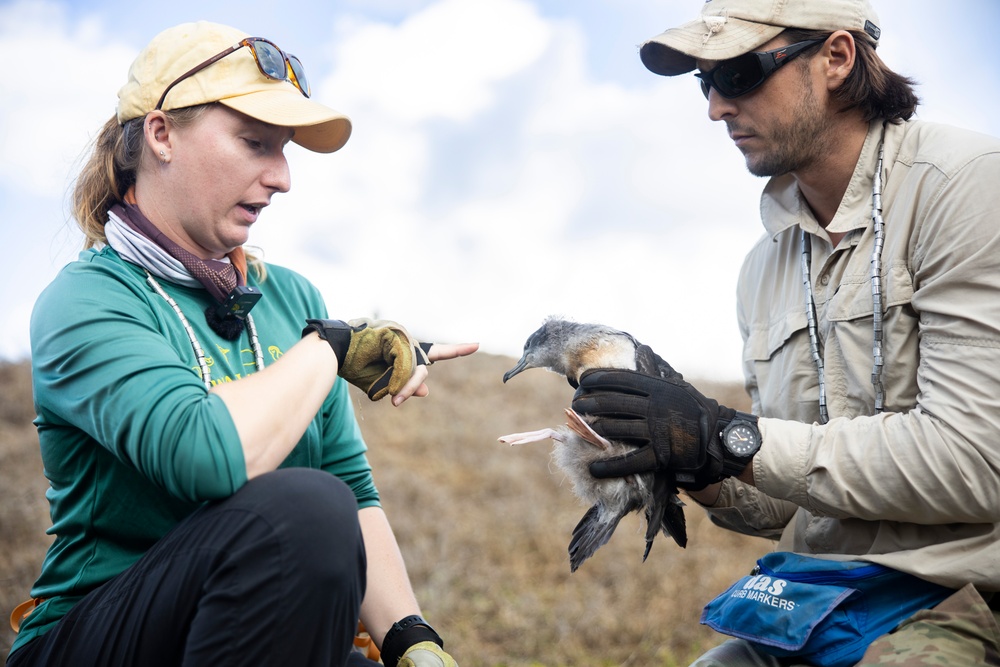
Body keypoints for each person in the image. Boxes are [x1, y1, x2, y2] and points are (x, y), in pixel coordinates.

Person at [6, 20, 476, 667]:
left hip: (260, 635)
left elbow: (353, 488)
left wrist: (412, 641)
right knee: (304, 509)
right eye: (255, 143)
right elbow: (206, 454)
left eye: (283, 150)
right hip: (98, 635)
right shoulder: (87, 301)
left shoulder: (291, 299)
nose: (282, 177)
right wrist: (327, 351)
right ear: (161, 133)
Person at [570, 0, 1000, 665]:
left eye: (738, 73)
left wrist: (732, 435)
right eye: (703, 82)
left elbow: (975, 464)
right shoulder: (763, 267)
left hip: (964, 595)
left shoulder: (967, 185)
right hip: (823, 599)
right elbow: (778, 507)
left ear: (836, 57)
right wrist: (688, 454)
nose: (715, 107)